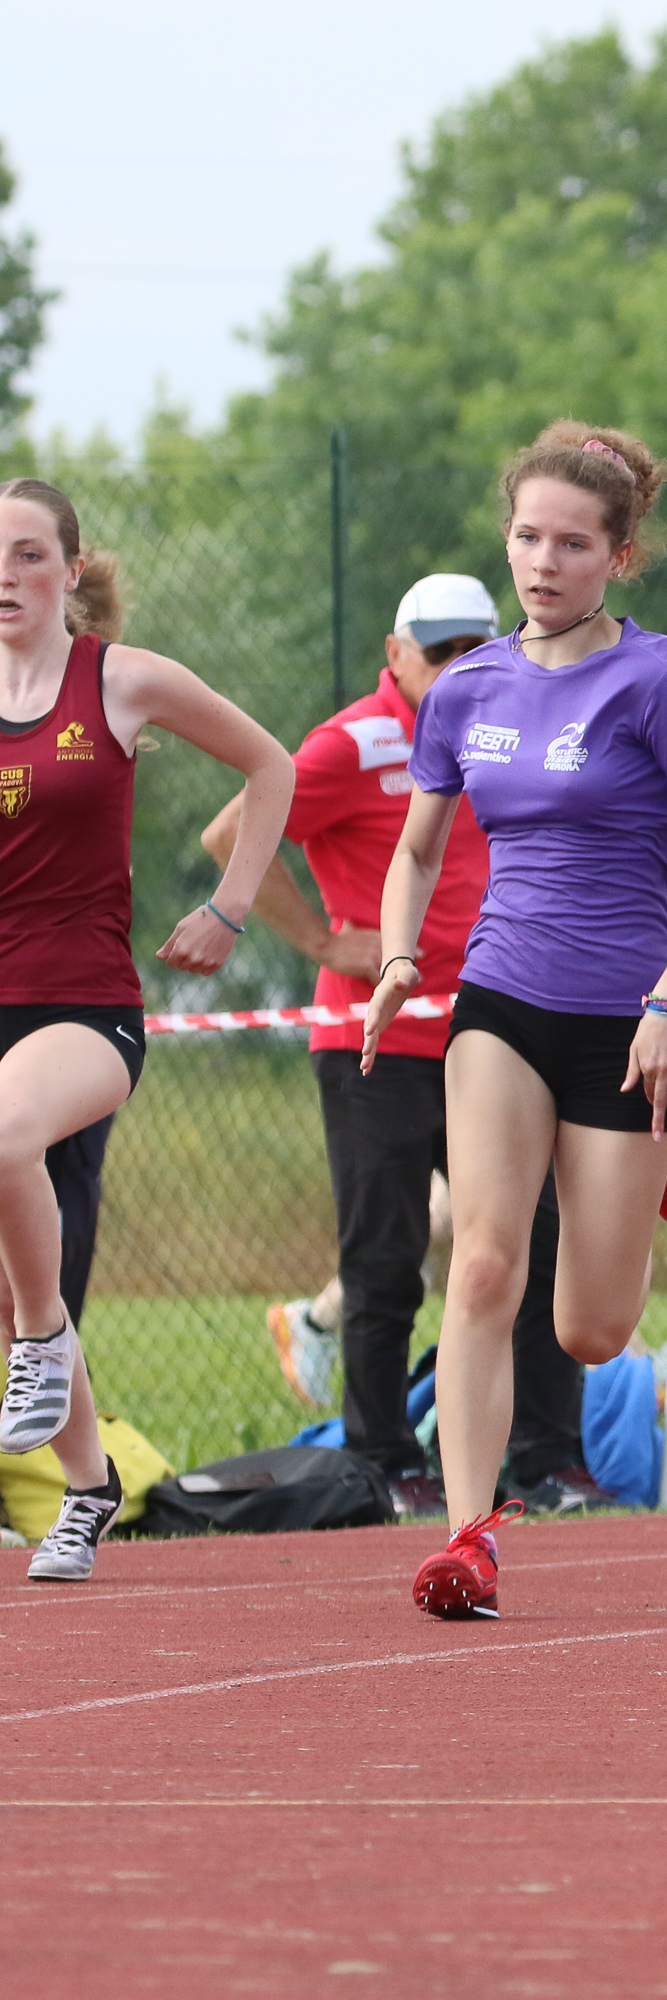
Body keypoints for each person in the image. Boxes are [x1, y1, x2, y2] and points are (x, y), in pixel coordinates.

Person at [365, 421, 667, 1619]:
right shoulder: (466, 686)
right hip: (501, 1000)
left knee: (591, 1327)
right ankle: (468, 1537)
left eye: (574, 543)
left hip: (632, 1019)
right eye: (529, 537)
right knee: (484, 1260)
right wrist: (397, 955)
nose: (546, 561)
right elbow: (418, 848)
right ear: (507, 540)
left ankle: (659, 1154)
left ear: (618, 556)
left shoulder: (658, 682)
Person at [203, 574, 593, 1518]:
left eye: (473, 648)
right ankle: (384, 1461)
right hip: (374, 1039)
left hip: (498, 1028)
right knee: (385, 1257)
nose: (458, 666)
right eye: (438, 650)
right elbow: (230, 832)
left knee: (534, 1245)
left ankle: (547, 1460)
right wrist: (324, 941)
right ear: (396, 654)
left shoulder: (515, 724)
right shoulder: (355, 742)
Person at [0, 477, 295, 1583]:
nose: (5, 577)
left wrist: (231, 906)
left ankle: (39, 1340)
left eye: (28, 554)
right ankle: (86, 1486)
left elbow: (272, 765)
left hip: (82, 1008)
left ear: (71, 569)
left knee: (5, 1138)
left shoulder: (119, 681)